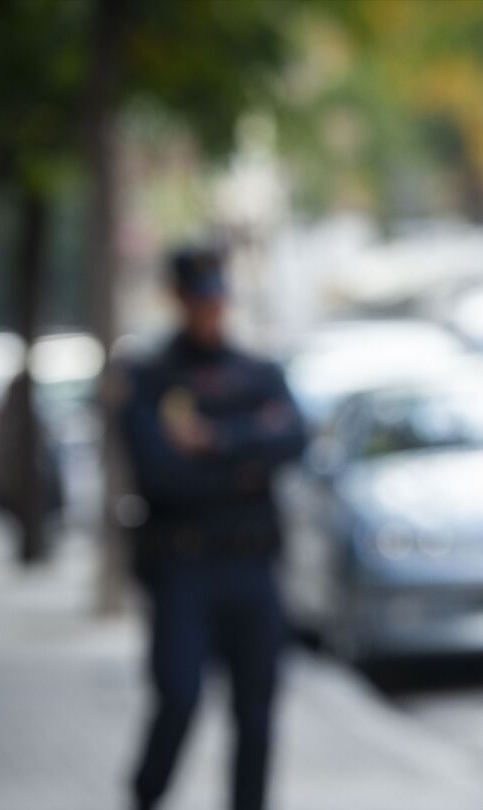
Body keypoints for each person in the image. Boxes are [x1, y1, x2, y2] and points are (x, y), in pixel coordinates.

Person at [117, 244, 306, 810]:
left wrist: (214, 441)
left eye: (218, 300)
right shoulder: (149, 377)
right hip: (183, 566)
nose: (212, 311)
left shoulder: (259, 372)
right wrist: (249, 457)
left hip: (252, 562)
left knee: (257, 712)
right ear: (178, 299)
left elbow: (293, 440)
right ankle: (145, 796)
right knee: (178, 697)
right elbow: (160, 474)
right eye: (201, 301)